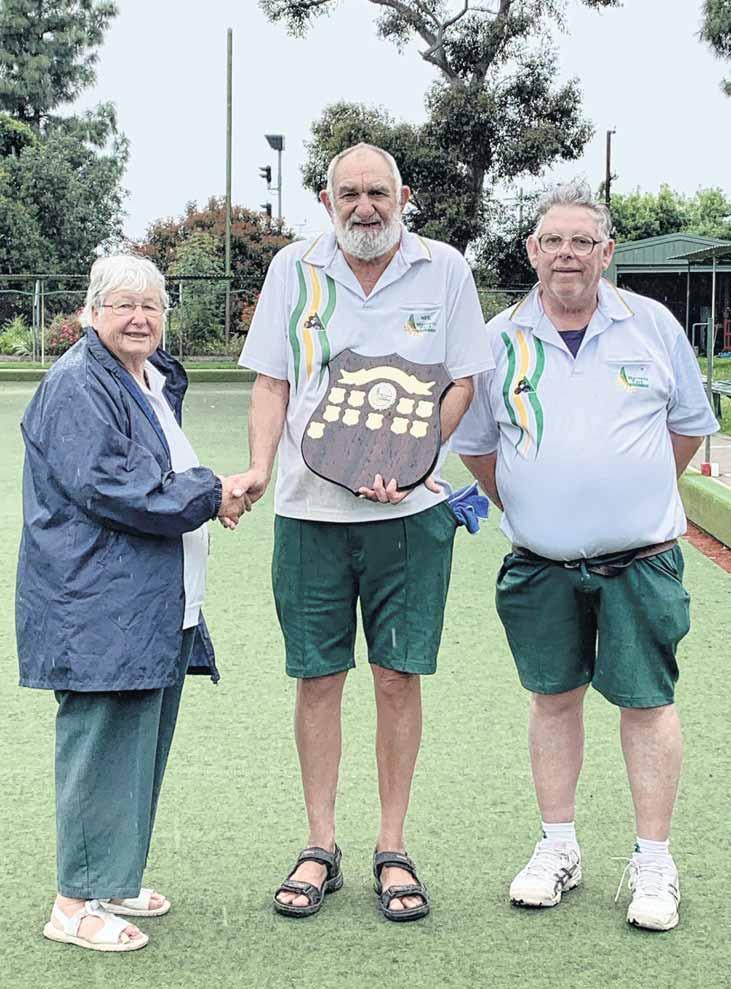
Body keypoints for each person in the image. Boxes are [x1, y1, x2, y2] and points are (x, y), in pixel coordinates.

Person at [451, 180, 719, 932]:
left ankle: (653, 860)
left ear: (606, 253)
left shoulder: (652, 325)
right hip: (539, 564)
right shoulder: (496, 339)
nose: (566, 253)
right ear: (531, 251)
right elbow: (478, 446)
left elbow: (686, 429)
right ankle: (558, 847)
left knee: (647, 704)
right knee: (553, 698)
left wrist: (629, 495)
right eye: (553, 241)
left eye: (582, 241)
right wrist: (535, 503)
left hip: (641, 560)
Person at [236, 142, 494, 921]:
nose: (364, 207)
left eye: (377, 192)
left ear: (403, 196)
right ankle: (320, 844)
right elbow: (272, 382)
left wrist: (414, 464)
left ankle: (391, 844)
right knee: (317, 677)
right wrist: (258, 467)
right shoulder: (293, 268)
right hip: (309, 511)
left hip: (409, 516)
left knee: (395, 675)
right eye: (348, 193)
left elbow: (461, 380)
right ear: (326, 202)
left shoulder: (444, 268)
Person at [16, 255, 249, 952]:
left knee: (138, 746)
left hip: (151, 601)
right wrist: (213, 493)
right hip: (99, 604)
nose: (140, 318)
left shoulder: (149, 378)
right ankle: (73, 903)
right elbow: (115, 487)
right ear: (91, 313)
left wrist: (203, 497)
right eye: (122, 305)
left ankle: (112, 879)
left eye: (151, 306)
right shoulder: (77, 384)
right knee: (101, 748)